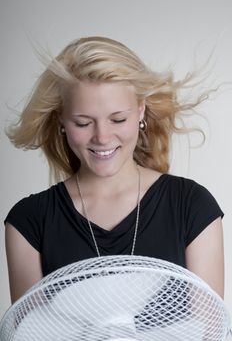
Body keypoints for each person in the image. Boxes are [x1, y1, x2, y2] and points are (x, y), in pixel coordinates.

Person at [4, 36, 224, 304]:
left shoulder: (191, 207)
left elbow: (211, 330)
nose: (103, 137)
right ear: (61, 118)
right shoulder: (30, 222)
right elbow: (29, 330)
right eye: (83, 123)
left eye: (118, 119)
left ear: (141, 111)